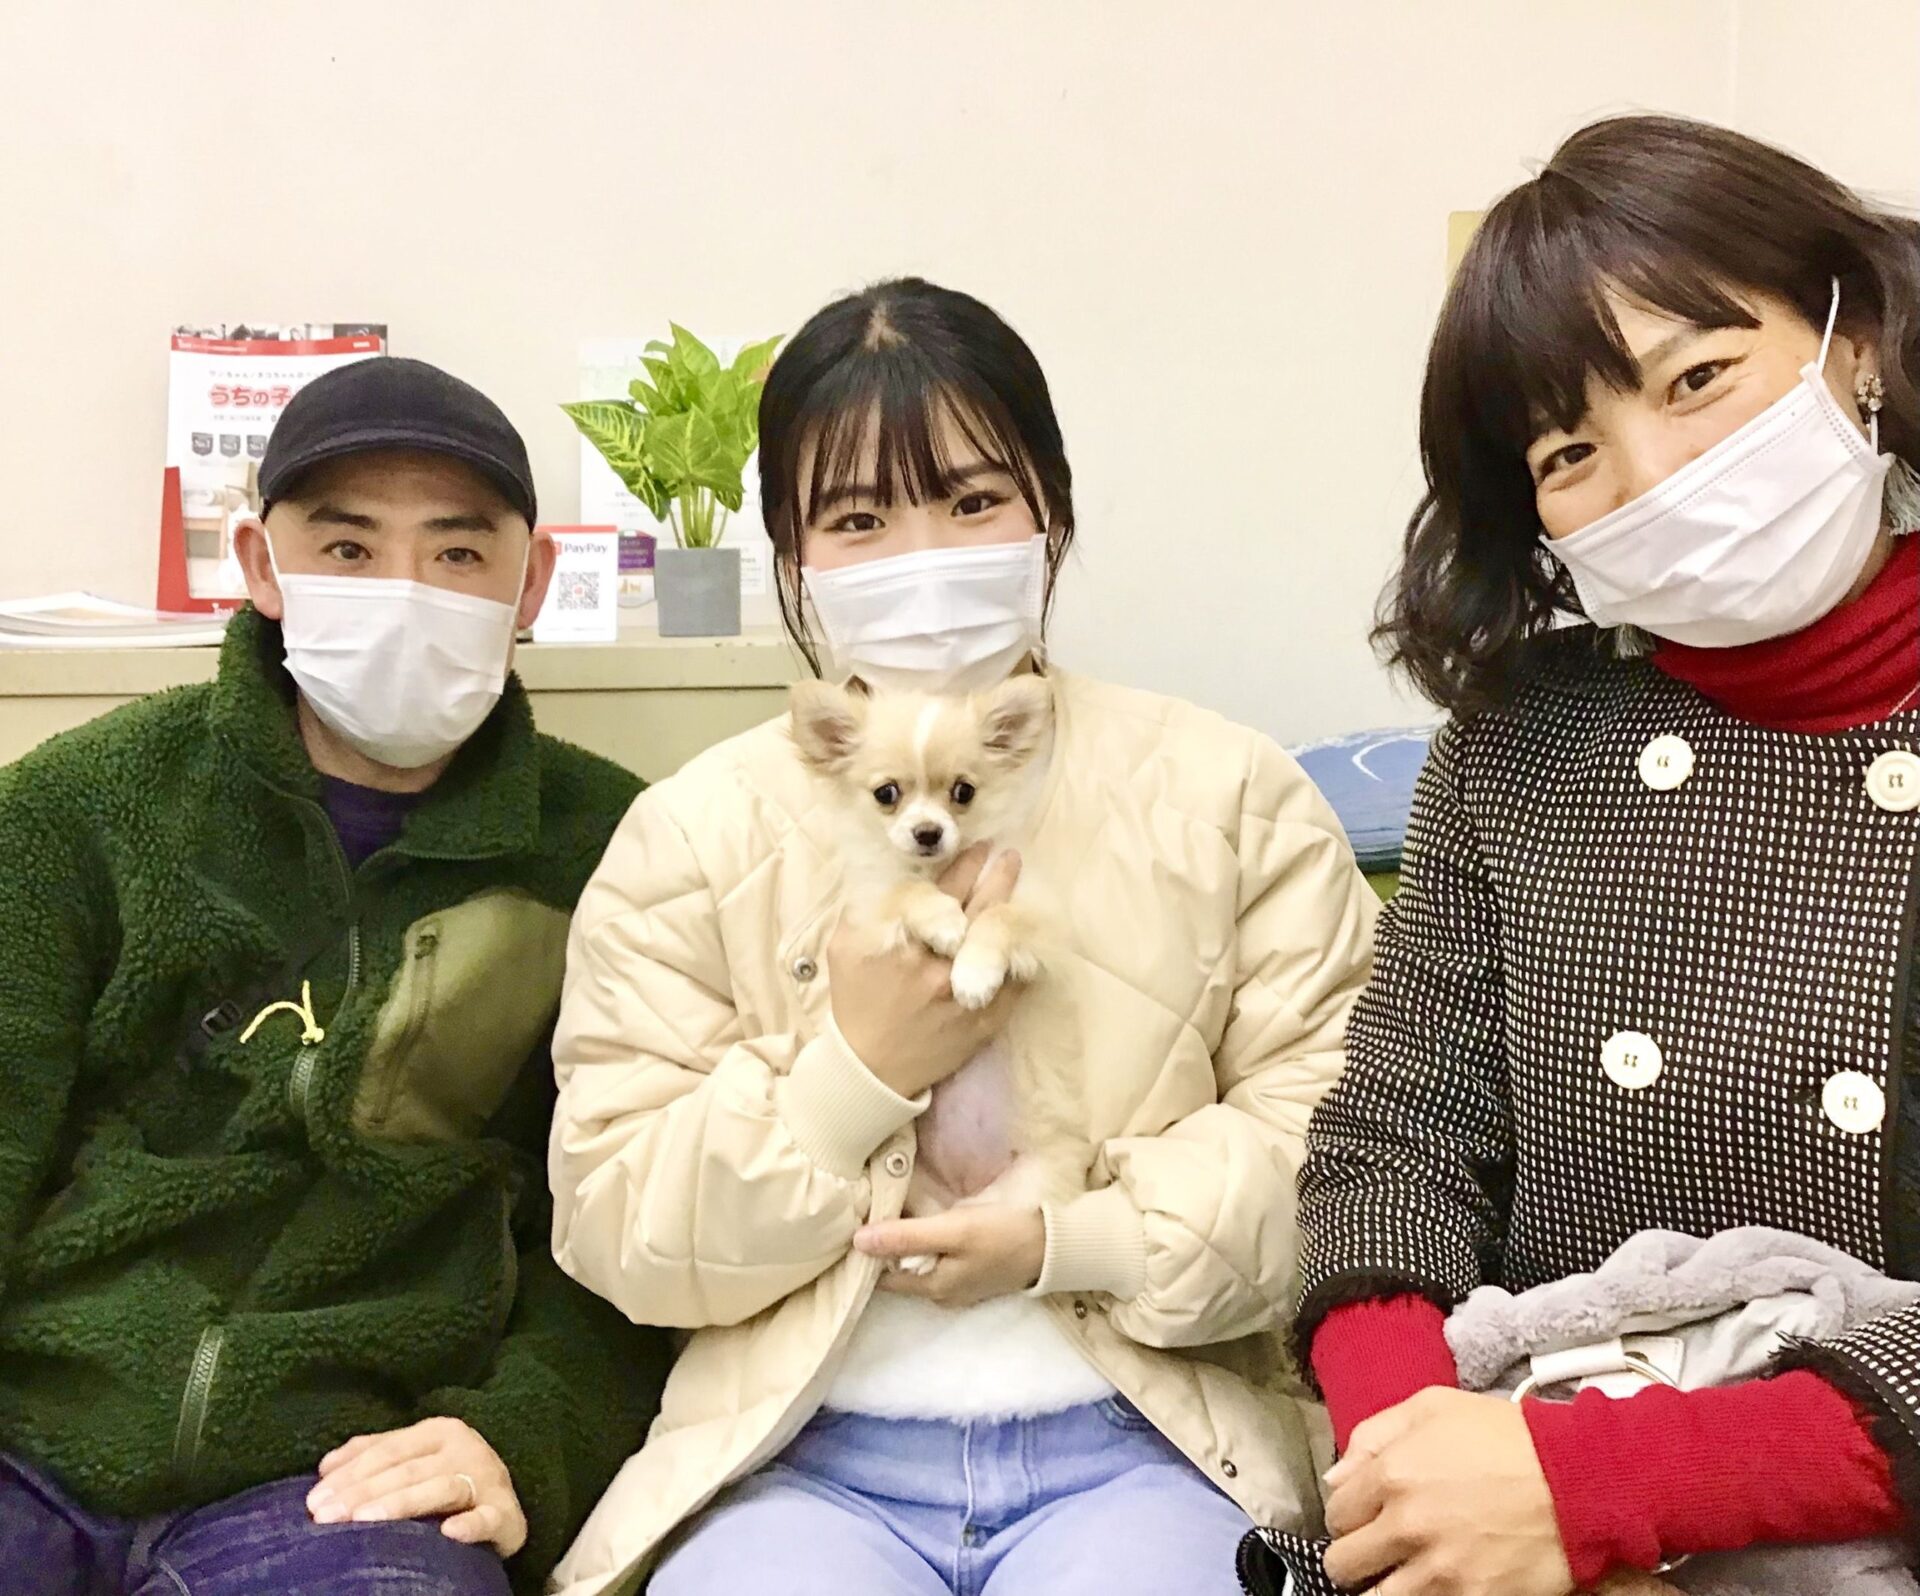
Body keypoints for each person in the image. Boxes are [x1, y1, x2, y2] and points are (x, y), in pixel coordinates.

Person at [541, 277, 1379, 1596]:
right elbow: (617, 1224)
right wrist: (849, 1080)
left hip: (1151, 1445)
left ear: (1052, 512)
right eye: (858, 520)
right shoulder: (691, 834)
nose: (922, 554)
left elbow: (1347, 1148)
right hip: (798, 1458)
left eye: (973, 501)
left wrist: (1078, 1242)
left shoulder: (1231, 795)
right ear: (791, 558)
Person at [1256, 115, 1920, 1596]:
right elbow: (1392, 1151)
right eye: (1570, 452)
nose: (1655, 476)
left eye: (1699, 377)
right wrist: (1413, 1460)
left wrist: (1606, 1485)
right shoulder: (1517, 747)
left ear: (1859, 338)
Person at [0, 357, 670, 1595]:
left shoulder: (625, 853)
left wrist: (524, 1435)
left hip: (349, 1487)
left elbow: (641, 1231)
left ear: (533, 583)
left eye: (458, 554)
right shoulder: (75, 810)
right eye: (348, 550)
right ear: (261, 568)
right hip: (38, 1441)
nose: (404, 595)